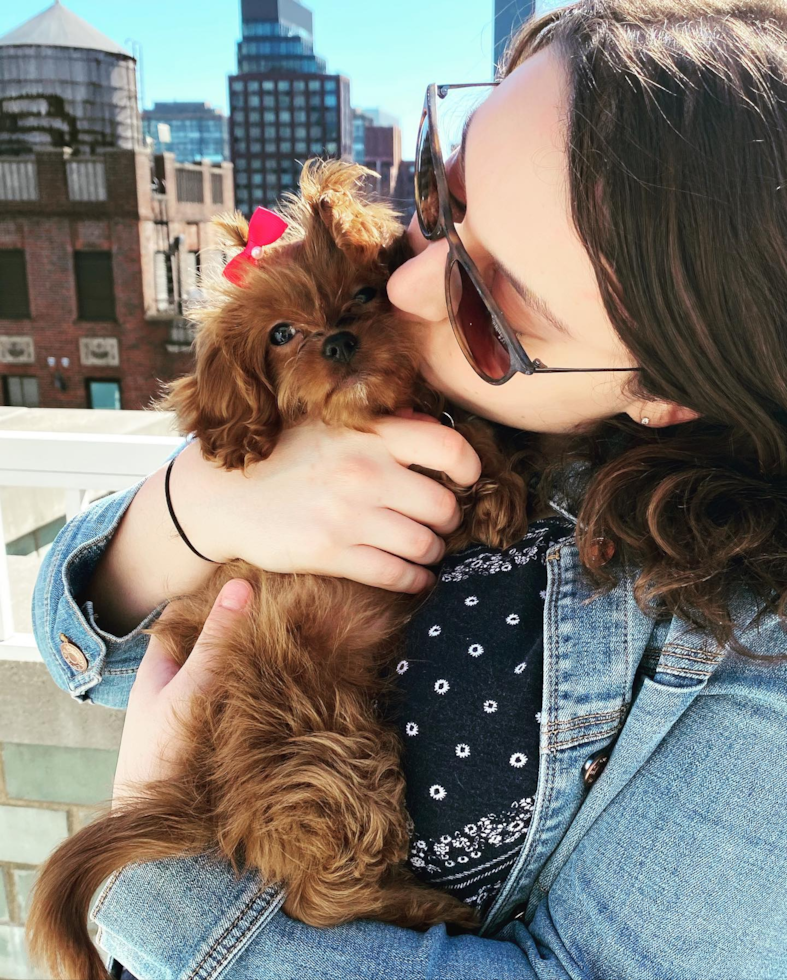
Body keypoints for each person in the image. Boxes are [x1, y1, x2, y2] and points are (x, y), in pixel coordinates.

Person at [32, 1, 787, 977]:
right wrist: (200, 502)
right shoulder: (367, 405)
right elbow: (83, 642)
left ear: (666, 390)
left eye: (499, 305)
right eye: (442, 196)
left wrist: (149, 887)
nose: (411, 285)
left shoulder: (749, 634)